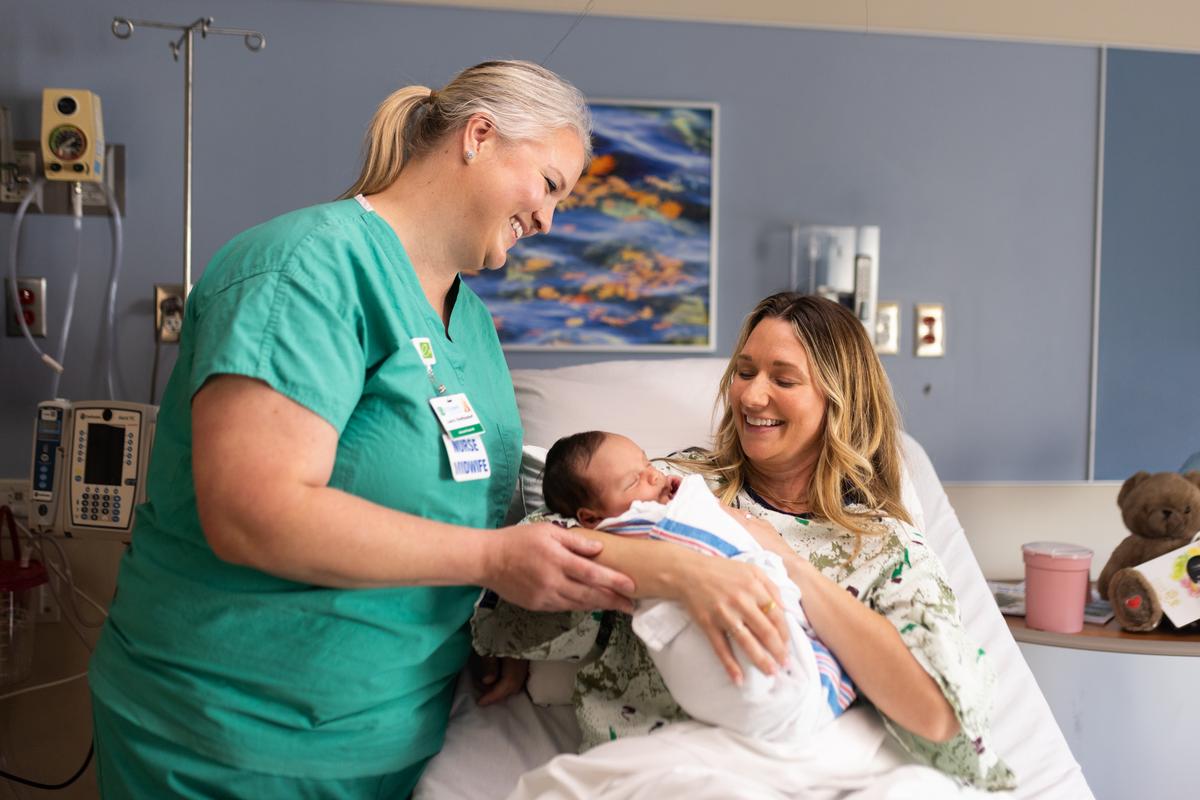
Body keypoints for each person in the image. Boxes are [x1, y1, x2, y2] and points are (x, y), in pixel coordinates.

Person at [85, 60, 736, 798]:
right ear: (479, 137)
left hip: (391, 740)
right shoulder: (304, 269)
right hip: (230, 735)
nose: (551, 221)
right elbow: (252, 514)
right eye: (550, 185)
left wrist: (492, 630)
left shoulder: (474, 328)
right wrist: (492, 561)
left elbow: (453, 509)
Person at [472, 293, 1016, 795]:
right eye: (745, 372)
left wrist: (788, 569)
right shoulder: (666, 488)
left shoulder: (881, 547)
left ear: (838, 401)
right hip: (676, 773)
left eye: (784, 379)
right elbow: (526, 568)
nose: (752, 395)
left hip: (808, 769)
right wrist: (684, 573)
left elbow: (938, 713)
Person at [538, 429, 857, 741]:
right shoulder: (618, 530)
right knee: (761, 682)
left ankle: (803, 691)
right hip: (696, 652)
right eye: (633, 481)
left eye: (647, 464)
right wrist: (690, 499)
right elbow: (547, 543)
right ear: (590, 518)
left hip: (756, 620)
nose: (653, 476)